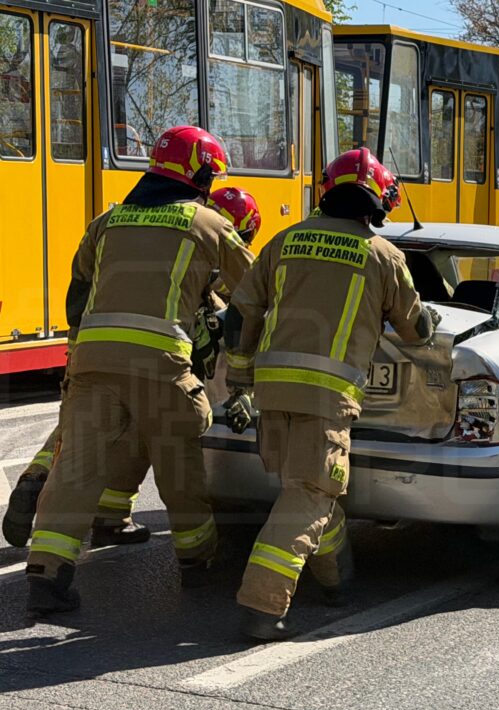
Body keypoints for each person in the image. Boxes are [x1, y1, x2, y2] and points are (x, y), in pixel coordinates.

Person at [23, 126, 254, 617]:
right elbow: (255, 292)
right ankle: (197, 559)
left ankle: (47, 572)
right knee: (177, 460)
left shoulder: (107, 220)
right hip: (160, 365)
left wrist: (82, 350)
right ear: (200, 175)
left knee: (76, 467)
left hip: (92, 360)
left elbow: (79, 291)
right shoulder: (207, 223)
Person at [223, 147, 435, 641]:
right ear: (379, 200)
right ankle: (261, 606)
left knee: (308, 491)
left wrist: (239, 381)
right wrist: (430, 318)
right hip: (327, 399)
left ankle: (338, 578)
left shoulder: (286, 240)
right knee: (310, 495)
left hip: (273, 395)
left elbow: (239, 315)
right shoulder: (383, 255)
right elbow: (416, 331)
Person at [2, 187, 262, 551]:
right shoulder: (212, 245)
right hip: (165, 365)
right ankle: (190, 552)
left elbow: (81, 285)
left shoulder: (126, 227)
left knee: (84, 430)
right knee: (159, 435)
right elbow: (247, 302)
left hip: (98, 348)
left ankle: (74, 494)